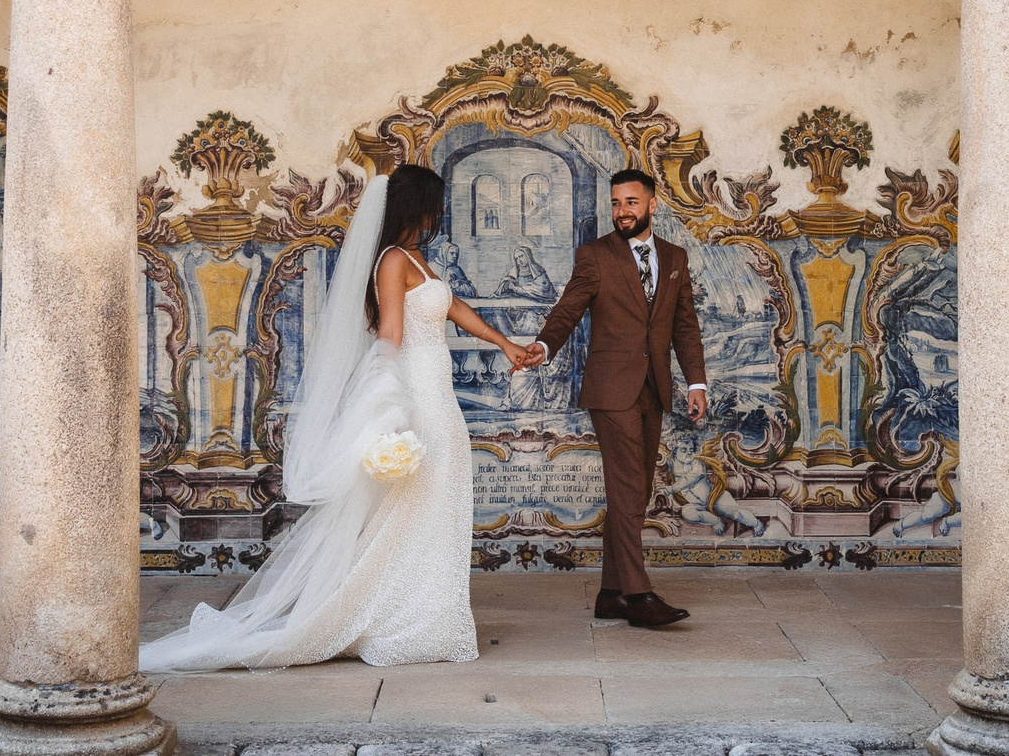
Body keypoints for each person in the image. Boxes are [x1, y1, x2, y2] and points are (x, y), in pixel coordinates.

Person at [139, 166, 540, 672]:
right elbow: (390, 334)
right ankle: (395, 615)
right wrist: (388, 405)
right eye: (434, 205)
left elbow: (452, 306)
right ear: (417, 207)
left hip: (438, 390)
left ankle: (424, 612)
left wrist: (505, 344)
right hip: (418, 389)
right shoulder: (393, 260)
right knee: (417, 504)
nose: (439, 215)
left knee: (437, 499)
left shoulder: (417, 258)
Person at [524, 168, 708, 630]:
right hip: (611, 387)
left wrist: (698, 383)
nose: (621, 211)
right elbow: (569, 309)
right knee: (629, 489)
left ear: (652, 204)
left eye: (630, 202)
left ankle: (610, 593)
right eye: (615, 204)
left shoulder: (675, 257)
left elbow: (684, 326)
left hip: (655, 388)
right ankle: (639, 595)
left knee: (637, 490)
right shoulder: (596, 256)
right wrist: (544, 346)